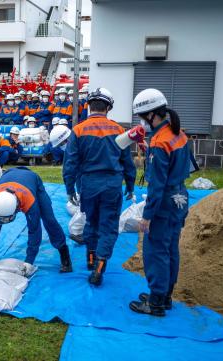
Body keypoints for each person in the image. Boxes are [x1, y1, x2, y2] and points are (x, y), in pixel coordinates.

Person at [62, 87, 136, 286]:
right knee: (109, 227)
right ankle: (100, 266)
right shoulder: (119, 130)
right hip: (112, 185)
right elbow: (127, 162)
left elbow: (70, 163)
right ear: (108, 107)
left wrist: (70, 189)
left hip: (88, 185)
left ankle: (91, 259)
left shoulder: (78, 130)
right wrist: (130, 185)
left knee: (91, 223)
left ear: (89, 106)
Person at [129, 89, 191, 317]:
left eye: (142, 117)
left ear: (152, 114)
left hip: (164, 203)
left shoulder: (159, 142)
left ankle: (155, 302)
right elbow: (186, 166)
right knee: (170, 249)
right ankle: (165, 296)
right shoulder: (179, 134)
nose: (142, 122)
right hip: (180, 198)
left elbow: (156, 185)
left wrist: (147, 216)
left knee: (156, 252)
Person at [0, 167, 72, 274]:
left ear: (17, 208)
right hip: (9, 173)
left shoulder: (29, 202)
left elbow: (34, 230)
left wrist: (29, 260)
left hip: (32, 179)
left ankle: (64, 252)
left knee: (49, 219)